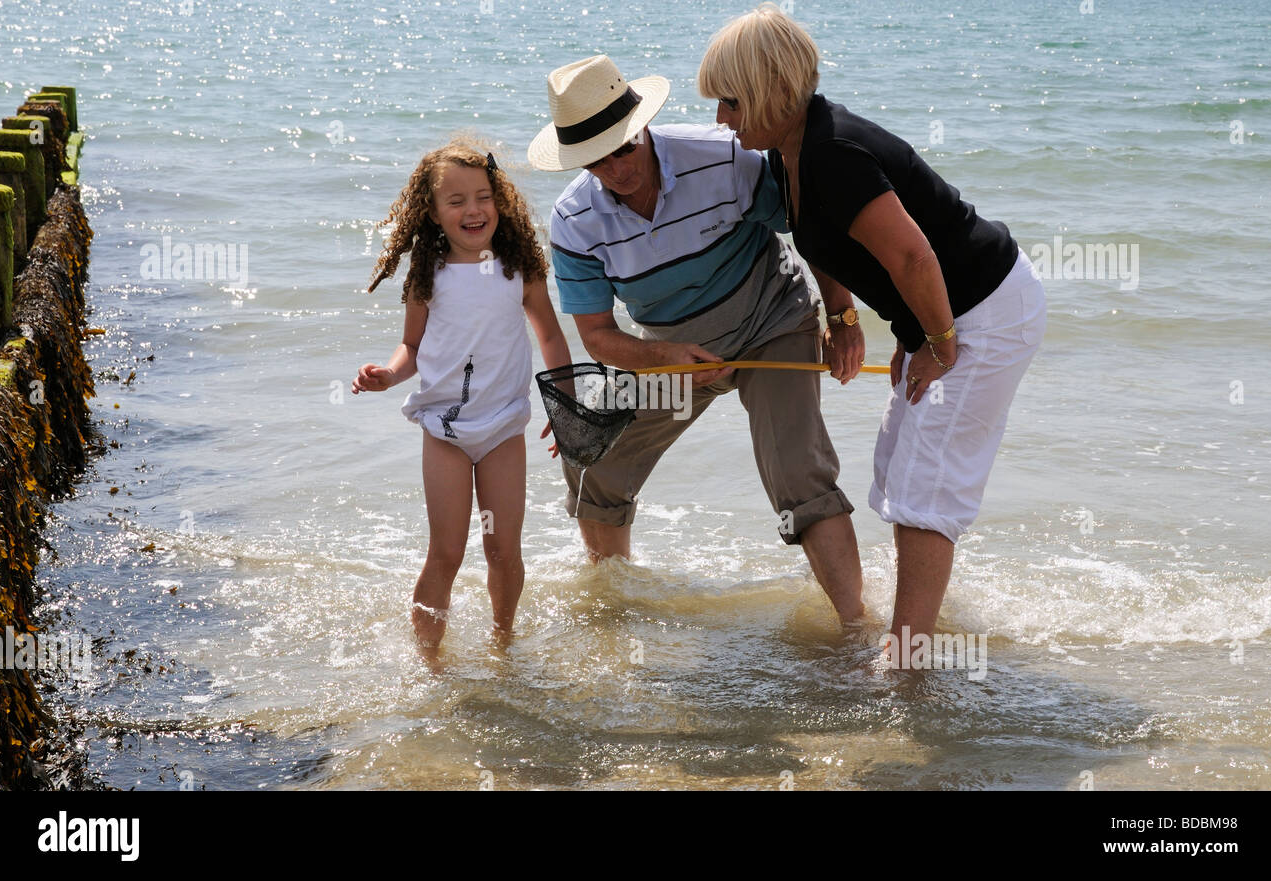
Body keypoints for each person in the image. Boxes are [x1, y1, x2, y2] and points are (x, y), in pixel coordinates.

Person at [699, 4, 1048, 647]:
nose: (721, 118)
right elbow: (832, 247)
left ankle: (908, 666)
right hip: (946, 316)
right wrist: (863, 321)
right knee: (898, 469)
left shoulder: (833, 152)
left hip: (984, 311)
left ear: (769, 89)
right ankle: (915, 632)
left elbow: (912, 254)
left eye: (729, 101)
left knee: (926, 489)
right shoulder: (789, 151)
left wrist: (940, 344)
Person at [528, 55, 866, 626]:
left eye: (625, 147)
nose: (617, 168)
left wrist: (842, 315)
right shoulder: (574, 221)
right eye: (596, 159)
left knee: (798, 476)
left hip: (771, 327)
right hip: (673, 354)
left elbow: (813, 224)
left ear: (644, 127)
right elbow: (599, 336)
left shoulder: (722, 156)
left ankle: (858, 632)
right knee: (593, 459)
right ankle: (612, 615)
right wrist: (665, 357)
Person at [353, 138, 572, 651]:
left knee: (503, 550)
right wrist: (387, 374)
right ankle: (430, 662)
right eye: (457, 201)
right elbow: (411, 345)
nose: (473, 210)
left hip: (502, 431)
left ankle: (503, 642)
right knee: (446, 552)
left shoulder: (520, 269)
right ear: (432, 212)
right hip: (444, 433)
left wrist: (564, 408)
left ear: (501, 201)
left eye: (483, 196)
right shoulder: (427, 276)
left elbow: (550, 336)